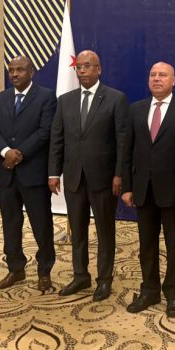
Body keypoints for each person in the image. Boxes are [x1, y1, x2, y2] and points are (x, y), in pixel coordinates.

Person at [48, 50, 130, 300]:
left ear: (99, 69)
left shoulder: (115, 99)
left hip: (104, 179)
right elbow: (57, 138)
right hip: (74, 177)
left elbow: (123, 141)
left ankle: (104, 280)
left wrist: (119, 174)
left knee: (105, 231)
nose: (82, 70)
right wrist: (53, 172)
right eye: (79, 67)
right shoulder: (65, 100)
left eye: (87, 66)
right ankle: (80, 275)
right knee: (78, 230)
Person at [121, 62, 175, 318]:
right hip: (143, 190)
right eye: (153, 75)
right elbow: (128, 150)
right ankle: (150, 290)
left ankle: (174, 292)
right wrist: (127, 187)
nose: (157, 79)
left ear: (173, 80)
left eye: (163, 75)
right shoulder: (136, 109)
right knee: (146, 244)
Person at [0, 56, 57, 292]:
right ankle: (15, 268)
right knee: (10, 224)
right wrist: (5, 152)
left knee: (41, 225)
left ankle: (44, 271)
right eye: (11, 70)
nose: (15, 74)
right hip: (7, 174)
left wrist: (19, 154)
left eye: (20, 70)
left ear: (32, 72)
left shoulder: (46, 97)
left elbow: (45, 131)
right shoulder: (1, 97)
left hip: (33, 173)